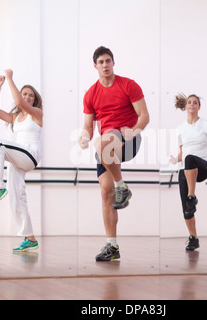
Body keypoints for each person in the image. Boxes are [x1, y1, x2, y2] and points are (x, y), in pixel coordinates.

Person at [78, 46, 150, 261]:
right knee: (106, 193)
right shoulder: (90, 94)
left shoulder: (129, 85)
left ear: (113, 63)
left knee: (104, 140)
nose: (105, 65)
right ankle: (112, 246)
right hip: (106, 147)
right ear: (95, 66)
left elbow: (144, 116)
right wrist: (83, 136)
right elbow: (88, 126)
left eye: (108, 60)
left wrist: (134, 130)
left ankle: (123, 187)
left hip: (128, 139)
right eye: (101, 62)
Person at [0, 69, 43, 252]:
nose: (27, 97)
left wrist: (9, 78)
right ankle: (29, 237)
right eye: (25, 94)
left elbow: (18, 102)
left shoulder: (36, 113)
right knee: (16, 195)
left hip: (30, 154)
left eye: (31, 95)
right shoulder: (16, 118)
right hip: (19, 157)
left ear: (34, 99)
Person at [170, 93, 207, 251]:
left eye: (195, 103)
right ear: (185, 107)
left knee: (190, 158)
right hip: (186, 168)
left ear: (199, 107)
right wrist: (175, 159)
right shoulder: (180, 129)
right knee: (186, 208)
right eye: (189, 102)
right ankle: (193, 238)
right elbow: (182, 152)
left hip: (204, 166)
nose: (192, 104)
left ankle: (192, 196)